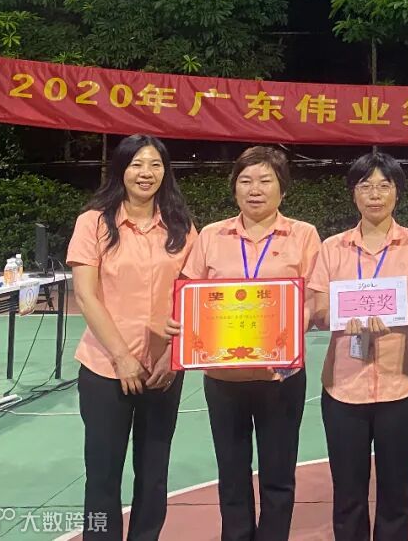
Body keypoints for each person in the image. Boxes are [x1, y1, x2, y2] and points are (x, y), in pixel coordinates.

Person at [179, 146, 320, 541]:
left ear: (283, 189)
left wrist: (288, 338)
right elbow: (190, 295)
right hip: (223, 378)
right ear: (234, 188)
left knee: (278, 475)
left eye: (265, 181)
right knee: (232, 474)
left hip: (280, 377)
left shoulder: (304, 235)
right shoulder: (211, 235)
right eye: (245, 181)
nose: (255, 189)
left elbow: (315, 299)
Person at [66, 134, 196, 540]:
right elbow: (86, 295)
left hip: (163, 371)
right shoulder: (93, 223)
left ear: (165, 172)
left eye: (155, 164)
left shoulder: (182, 227)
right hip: (105, 368)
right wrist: (122, 356)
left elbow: (192, 298)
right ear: (121, 169)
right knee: (103, 475)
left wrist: (173, 356)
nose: (146, 173)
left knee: (154, 474)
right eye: (137, 163)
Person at [309, 152, 408, 541]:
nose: (375, 195)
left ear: (397, 192)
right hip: (343, 386)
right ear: (354, 193)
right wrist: (343, 316)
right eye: (366, 186)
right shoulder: (332, 248)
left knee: (397, 492)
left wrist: (394, 315)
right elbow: (318, 312)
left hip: (401, 383)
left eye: (384, 186)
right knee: (348, 492)